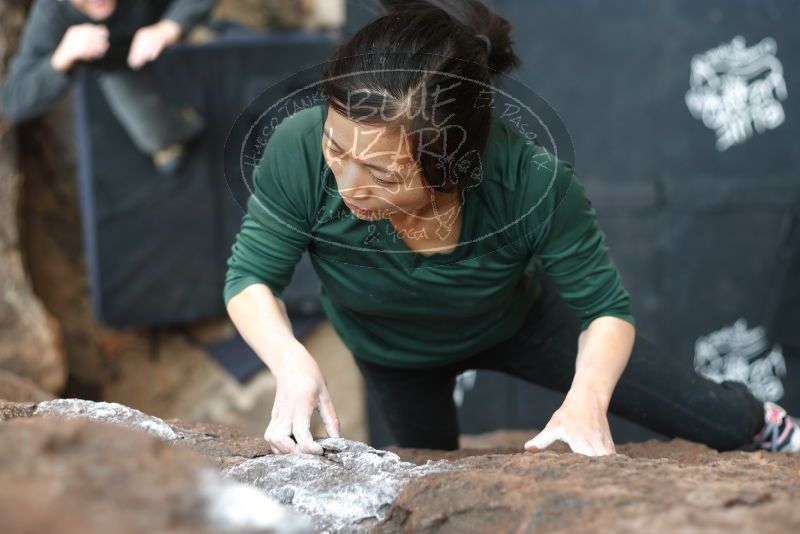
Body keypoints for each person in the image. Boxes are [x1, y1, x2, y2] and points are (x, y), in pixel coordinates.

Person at [223, 0, 800, 456]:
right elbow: (250, 276)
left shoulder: (530, 181)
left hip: (520, 323)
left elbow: (605, 311)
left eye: (381, 171)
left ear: (453, 162)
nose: (348, 184)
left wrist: (586, 401)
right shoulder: (298, 145)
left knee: (715, 418)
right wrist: (289, 359)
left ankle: (760, 422)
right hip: (391, 352)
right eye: (335, 147)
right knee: (421, 480)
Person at [0, 0, 216, 174]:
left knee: (209, 38)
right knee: (157, 135)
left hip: (163, 17)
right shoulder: (50, 15)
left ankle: (194, 29)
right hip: (118, 65)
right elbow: (13, 102)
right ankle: (179, 134)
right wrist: (61, 58)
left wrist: (171, 27)